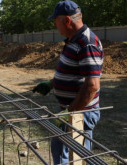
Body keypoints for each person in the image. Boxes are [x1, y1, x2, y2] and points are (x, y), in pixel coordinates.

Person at [32, 0, 104, 164]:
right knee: (62, 152)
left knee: (77, 158)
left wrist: (69, 112)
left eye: (56, 21)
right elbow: (73, 72)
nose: (55, 25)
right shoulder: (73, 40)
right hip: (71, 111)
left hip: (80, 113)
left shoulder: (87, 43)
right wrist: (51, 84)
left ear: (67, 21)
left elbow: (92, 86)